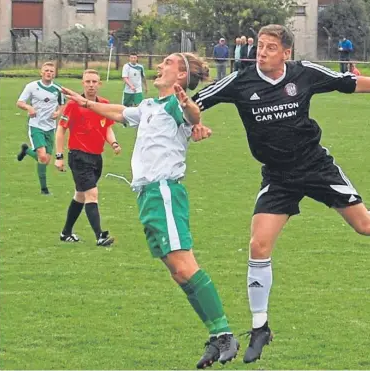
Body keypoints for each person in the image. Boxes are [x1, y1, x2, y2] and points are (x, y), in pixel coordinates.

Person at [192, 24, 370, 363]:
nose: (262, 52)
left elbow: (350, 83)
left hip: (315, 167)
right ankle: (260, 326)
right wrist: (194, 121)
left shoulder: (304, 73)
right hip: (279, 177)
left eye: (270, 47)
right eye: (260, 46)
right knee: (258, 245)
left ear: (286, 53)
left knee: (365, 227)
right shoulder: (241, 81)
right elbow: (196, 102)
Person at [61, 53, 239, 369]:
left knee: (185, 265)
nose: (159, 66)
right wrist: (87, 104)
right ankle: (215, 335)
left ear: (181, 75)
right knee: (176, 270)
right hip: (147, 196)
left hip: (164, 192)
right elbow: (118, 111)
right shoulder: (149, 107)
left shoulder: (175, 105)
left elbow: (194, 116)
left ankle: (224, 332)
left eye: (167, 63)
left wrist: (188, 105)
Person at [55, 69, 118, 246]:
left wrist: (114, 143)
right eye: (88, 81)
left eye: (94, 82)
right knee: (92, 193)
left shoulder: (103, 104)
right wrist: (59, 156)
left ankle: (66, 232)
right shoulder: (73, 105)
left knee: (80, 195)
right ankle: (100, 235)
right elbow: (61, 129)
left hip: (96, 157)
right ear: (83, 83)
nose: (91, 85)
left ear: (99, 84)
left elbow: (107, 128)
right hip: (78, 156)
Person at [16, 62, 65, 195]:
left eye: (51, 71)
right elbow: (20, 102)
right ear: (41, 72)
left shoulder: (58, 88)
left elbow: (62, 104)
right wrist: (29, 107)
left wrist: (58, 112)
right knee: (42, 157)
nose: (49, 73)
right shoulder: (32, 86)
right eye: (46, 70)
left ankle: (26, 151)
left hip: (50, 127)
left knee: (45, 160)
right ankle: (44, 189)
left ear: (54, 73)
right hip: (36, 125)